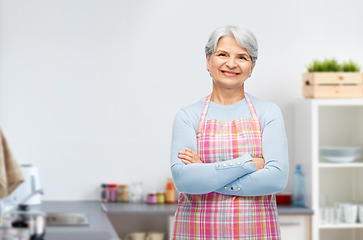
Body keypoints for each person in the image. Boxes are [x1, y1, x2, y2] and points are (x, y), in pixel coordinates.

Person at [169, 25, 288, 239]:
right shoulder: (188, 116)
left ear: (251, 67)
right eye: (222, 54)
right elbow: (185, 181)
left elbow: (276, 179)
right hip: (196, 232)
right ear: (208, 60)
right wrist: (246, 165)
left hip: (255, 232)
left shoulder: (268, 113)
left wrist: (205, 174)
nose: (231, 64)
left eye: (242, 57)